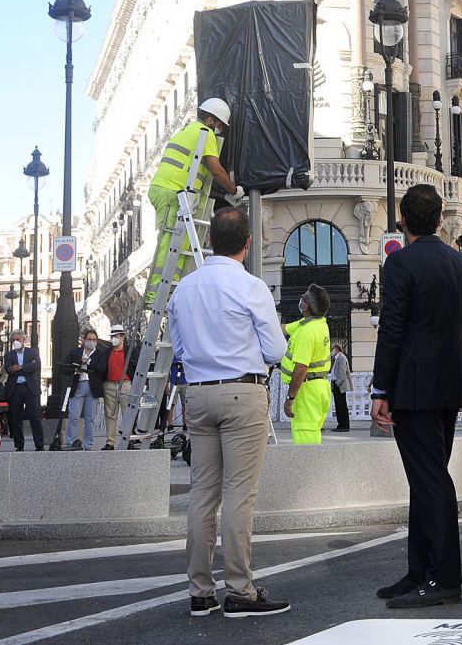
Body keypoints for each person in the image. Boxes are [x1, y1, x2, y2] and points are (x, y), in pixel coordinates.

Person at [169, 205, 289, 619]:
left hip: (197, 395)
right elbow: (275, 349)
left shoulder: (184, 288)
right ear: (248, 243)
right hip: (243, 393)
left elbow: (179, 348)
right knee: (240, 492)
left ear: (209, 242)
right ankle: (240, 589)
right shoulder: (251, 286)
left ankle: (200, 591)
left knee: (203, 492)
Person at [371, 184, 462, 609]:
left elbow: (392, 328)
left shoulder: (400, 263)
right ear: (440, 220)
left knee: (431, 480)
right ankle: (420, 570)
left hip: (414, 390)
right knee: (427, 478)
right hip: (450, 389)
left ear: (402, 218)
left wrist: (381, 388)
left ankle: (445, 579)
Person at [145, 97, 241, 304]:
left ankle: (173, 286)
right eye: (219, 125)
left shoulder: (188, 131)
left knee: (182, 241)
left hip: (169, 190)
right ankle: (156, 294)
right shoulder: (205, 134)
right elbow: (215, 169)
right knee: (169, 242)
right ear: (210, 120)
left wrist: (223, 195)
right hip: (172, 192)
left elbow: (198, 174)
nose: (220, 130)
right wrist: (233, 190)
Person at [280, 284, 333, 445]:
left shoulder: (307, 332)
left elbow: (301, 368)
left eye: (303, 298)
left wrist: (290, 397)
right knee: (311, 434)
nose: (300, 300)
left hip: (306, 390)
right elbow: (282, 329)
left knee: (306, 443)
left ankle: (308, 471)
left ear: (306, 306)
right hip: (318, 388)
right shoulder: (317, 323)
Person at [3, 329, 44, 451]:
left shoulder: (32, 352)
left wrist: (20, 367)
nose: (16, 342)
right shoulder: (9, 355)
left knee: (34, 416)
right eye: (14, 340)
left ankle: (39, 444)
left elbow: (36, 365)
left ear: (23, 340)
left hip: (30, 388)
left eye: (18, 339)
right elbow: (9, 369)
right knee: (15, 418)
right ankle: (19, 445)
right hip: (15, 389)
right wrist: (27, 367)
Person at [99, 325, 137, 450]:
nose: (114, 339)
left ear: (122, 337)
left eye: (116, 336)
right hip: (109, 385)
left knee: (128, 413)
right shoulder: (107, 351)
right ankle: (110, 442)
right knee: (110, 414)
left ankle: (129, 439)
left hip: (125, 385)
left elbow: (136, 367)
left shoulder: (130, 351)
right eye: (112, 336)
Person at [62, 330, 102, 450]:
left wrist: (88, 362)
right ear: (84, 340)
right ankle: (71, 442)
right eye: (89, 339)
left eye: (94, 340)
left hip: (92, 387)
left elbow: (102, 369)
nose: (91, 342)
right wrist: (77, 366)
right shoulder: (75, 353)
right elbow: (64, 367)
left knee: (90, 418)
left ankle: (88, 444)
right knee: (73, 416)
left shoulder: (100, 354)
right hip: (78, 385)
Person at [330, 344, 352, 433]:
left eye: (332, 350)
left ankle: (344, 425)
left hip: (340, 385)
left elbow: (342, 372)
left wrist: (338, 383)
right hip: (336, 384)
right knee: (339, 406)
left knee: (342, 405)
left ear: (336, 349)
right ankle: (340, 425)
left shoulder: (341, 358)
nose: (331, 352)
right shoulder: (337, 358)